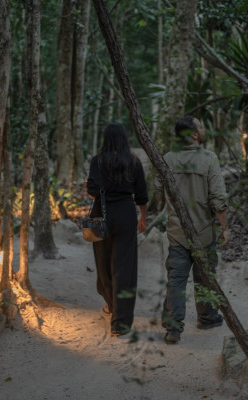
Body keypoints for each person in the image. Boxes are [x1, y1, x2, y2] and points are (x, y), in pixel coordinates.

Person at [154, 115, 231, 344]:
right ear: (195, 135)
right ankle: (207, 318)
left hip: (177, 233)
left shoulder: (168, 158)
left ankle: (173, 329)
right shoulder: (209, 159)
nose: (203, 128)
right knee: (204, 278)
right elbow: (218, 200)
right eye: (201, 126)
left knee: (176, 279)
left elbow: (158, 191)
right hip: (204, 233)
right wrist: (225, 228)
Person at [86, 123, 148, 336]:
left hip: (101, 215)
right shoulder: (133, 162)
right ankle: (120, 323)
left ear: (105, 139)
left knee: (103, 264)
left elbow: (92, 192)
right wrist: (143, 218)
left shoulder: (97, 161)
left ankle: (111, 305)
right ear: (124, 139)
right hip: (125, 214)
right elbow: (141, 194)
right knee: (124, 267)